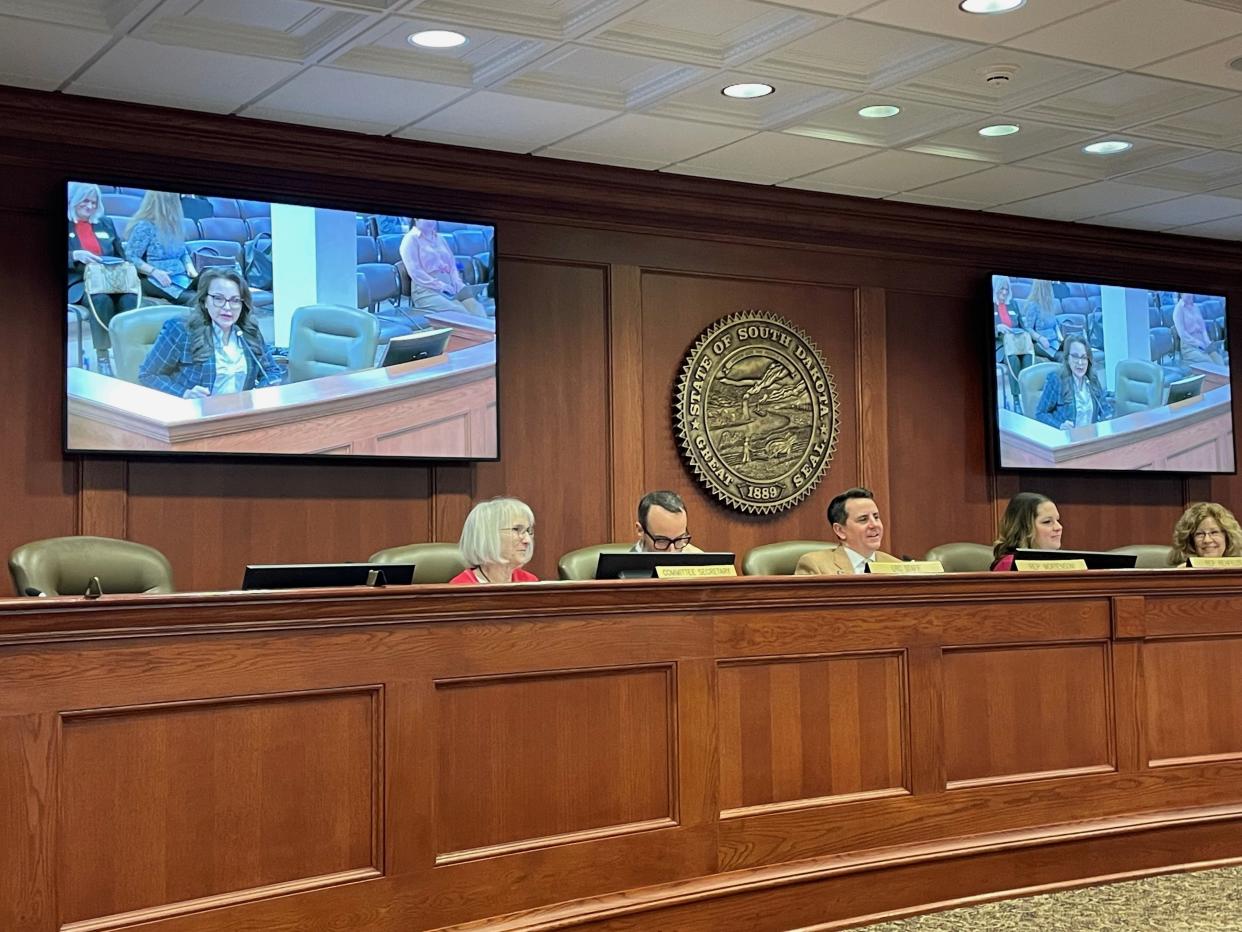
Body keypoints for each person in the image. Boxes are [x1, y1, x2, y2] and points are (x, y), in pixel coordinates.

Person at [138, 268, 285, 398]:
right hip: (195, 418)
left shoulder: (248, 331)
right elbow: (148, 375)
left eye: (235, 300)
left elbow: (272, 371)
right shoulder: (181, 330)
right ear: (204, 301)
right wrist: (184, 394)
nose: (227, 307)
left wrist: (260, 391)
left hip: (241, 416)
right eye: (218, 299)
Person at [67, 181, 138, 375]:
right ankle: (103, 356)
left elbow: (120, 254)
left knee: (129, 298)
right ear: (73, 201)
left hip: (110, 279)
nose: (90, 207)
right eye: (84, 202)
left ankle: (126, 353)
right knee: (101, 300)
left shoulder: (105, 222)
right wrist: (75, 255)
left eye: (93, 202)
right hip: (78, 282)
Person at [795, 487, 897, 575]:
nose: (874, 525)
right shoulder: (816, 565)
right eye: (863, 519)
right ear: (840, 530)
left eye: (876, 517)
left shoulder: (897, 566)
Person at [399, 218, 486, 318]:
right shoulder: (410, 239)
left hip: (450, 287)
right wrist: (441, 286)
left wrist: (457, 282)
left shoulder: (439, 238)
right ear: (416, 219)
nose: (431, 221)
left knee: (477, 310)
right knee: (462, 314)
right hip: (426, 290)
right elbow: (416, 272)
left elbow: (452, 265)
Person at [123, 190, 196, 304]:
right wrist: (154, 272)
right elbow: (131, 256)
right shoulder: (145, 226)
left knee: (208, 294)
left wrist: (190, 267)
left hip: (180, 278)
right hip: (156, 279)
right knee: (196, 300)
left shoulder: (175, 226)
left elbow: (183, 252)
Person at [450, 497, 539, 584]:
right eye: (516, 529)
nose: (527, 540)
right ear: (486, 536)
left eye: (528, 531)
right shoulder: (461, 588)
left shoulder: (529, 581)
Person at [1034, 335, 1112, 429]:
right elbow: (1040, 413)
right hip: (1067, 440)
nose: (1080, 363)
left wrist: (1108, 419)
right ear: (1067, 358)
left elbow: (1105, 409)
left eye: (1083, 357)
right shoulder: (1056, 380)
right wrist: (1060, 425)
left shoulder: (1092, 380)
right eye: (1075, 357)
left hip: (1091, 439)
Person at [991, 492, 1062, 571]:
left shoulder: (1063, 562)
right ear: (1024, 528)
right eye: (1047, 521)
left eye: (1057, 520)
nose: (1059, 527)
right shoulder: (1008, 564)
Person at [994, 276, 1036, 395]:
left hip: (1018, 343)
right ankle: (1017, 397)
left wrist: (1028, 333)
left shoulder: (1013, 304)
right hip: (1000, 345)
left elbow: (1023, 326)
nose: (1004, 292)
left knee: (1028, 356)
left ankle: (1027, 394)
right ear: (995, 288)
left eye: (1007, 289)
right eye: (1001, 289)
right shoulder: (989, 304)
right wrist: (997, 328)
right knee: (1014, 360)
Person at [1168, 502, 1242, 565]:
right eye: (1200, 534)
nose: (1207, 540)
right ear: (1190, 541)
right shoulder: (1180, 574)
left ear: (1227, 536)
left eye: (1214, 532)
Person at [633, 490, 702, 553]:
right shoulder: (624, 565)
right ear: (640, 530)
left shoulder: (699, 559)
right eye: (662, 540)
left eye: (679, 539)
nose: (672, 551)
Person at [1173, 293, 1223, 366]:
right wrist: (1198, 344)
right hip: (1189, 347)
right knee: (1210, 364)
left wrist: (1207, 341)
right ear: (1181, 294)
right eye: (1186, 293)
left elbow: (1203, 328)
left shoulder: (1195, 307)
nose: (1190, 295)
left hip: (1203, 342)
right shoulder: (1178, 310)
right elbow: (1183, 334)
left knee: (1220, 362)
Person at [1025, 279, 1062, 361]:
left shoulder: (1050, 304)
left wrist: (1060, 337)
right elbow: (1028, 328)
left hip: (1054, 341)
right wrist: (1040, 338)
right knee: (1062, 357)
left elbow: (1055, 324)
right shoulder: (1033, 305)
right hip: (1040, 343)